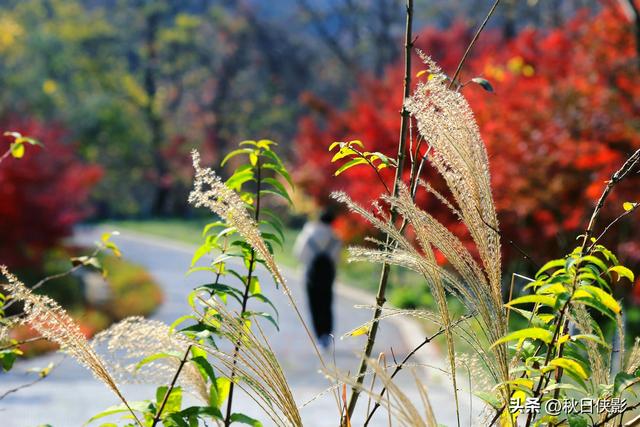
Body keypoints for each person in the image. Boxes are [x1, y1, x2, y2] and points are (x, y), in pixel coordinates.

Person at [293, 208, 341, 350]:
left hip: (311, 275)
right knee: (326, 304)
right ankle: (327, 334)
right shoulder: (335, 237)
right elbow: (336, 259)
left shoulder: (308, 234)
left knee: (314, 305)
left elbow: (299, 254)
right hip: (327, 276)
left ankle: (319, 336)